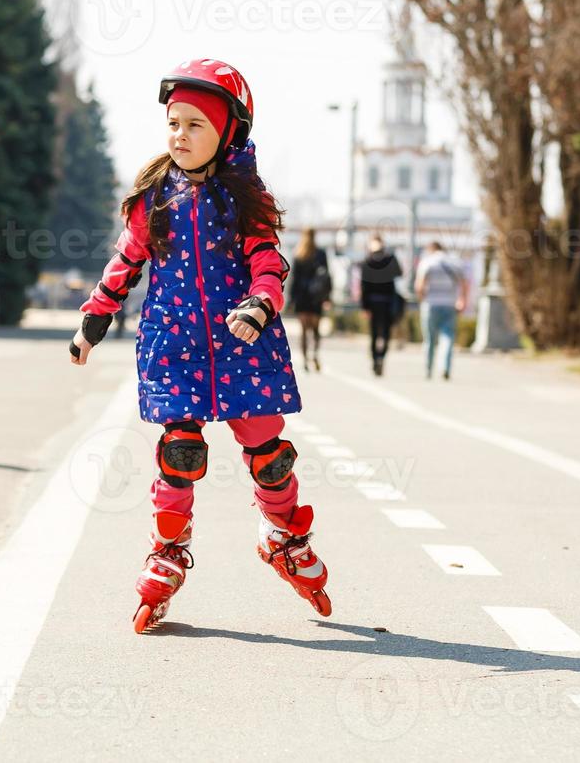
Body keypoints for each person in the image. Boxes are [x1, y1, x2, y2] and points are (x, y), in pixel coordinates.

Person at [69, 57, 329, 632]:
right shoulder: (154, 197)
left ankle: (283, 535)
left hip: (243, 342)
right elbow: (126, 260)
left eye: (195, 125)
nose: (180, 135)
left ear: (228, 130)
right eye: (173, 123)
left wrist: (261, 301)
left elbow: (268, 261)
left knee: (268, 452)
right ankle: (166, 550)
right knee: (180, 451)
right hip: (175, 343)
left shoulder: (245, 198)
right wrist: (95, 317)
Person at [414, 240, 468, 380]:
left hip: (430, 304)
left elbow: (419, 286)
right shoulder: (454, 262)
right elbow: (464, 283)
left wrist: (422, 299)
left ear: (430, 249)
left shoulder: (427, 262)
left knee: (430, 339)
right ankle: (445, 367)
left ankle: (428, 369)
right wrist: (462, 300)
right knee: (448, 337)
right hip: (450, 304)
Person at [288, 227, 332, 372]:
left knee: (303, 330)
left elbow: (294, 279)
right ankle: (315, 354)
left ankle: (306, 359)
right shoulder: (320, 254)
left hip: (302, 296)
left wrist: (291, 300)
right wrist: (327, 297)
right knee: (315, 329)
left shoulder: (298, 253)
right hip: (316, 296)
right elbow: (326, 277)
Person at [358, 234, 403, 376]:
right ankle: (381, 357)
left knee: (374, 333)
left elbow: (363, 286)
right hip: (388, 301)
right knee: (385, 333)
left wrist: (364, 306)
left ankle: (375, 358)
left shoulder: (367, 261)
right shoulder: (390, 259)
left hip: (372, 302)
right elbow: (399, 273)